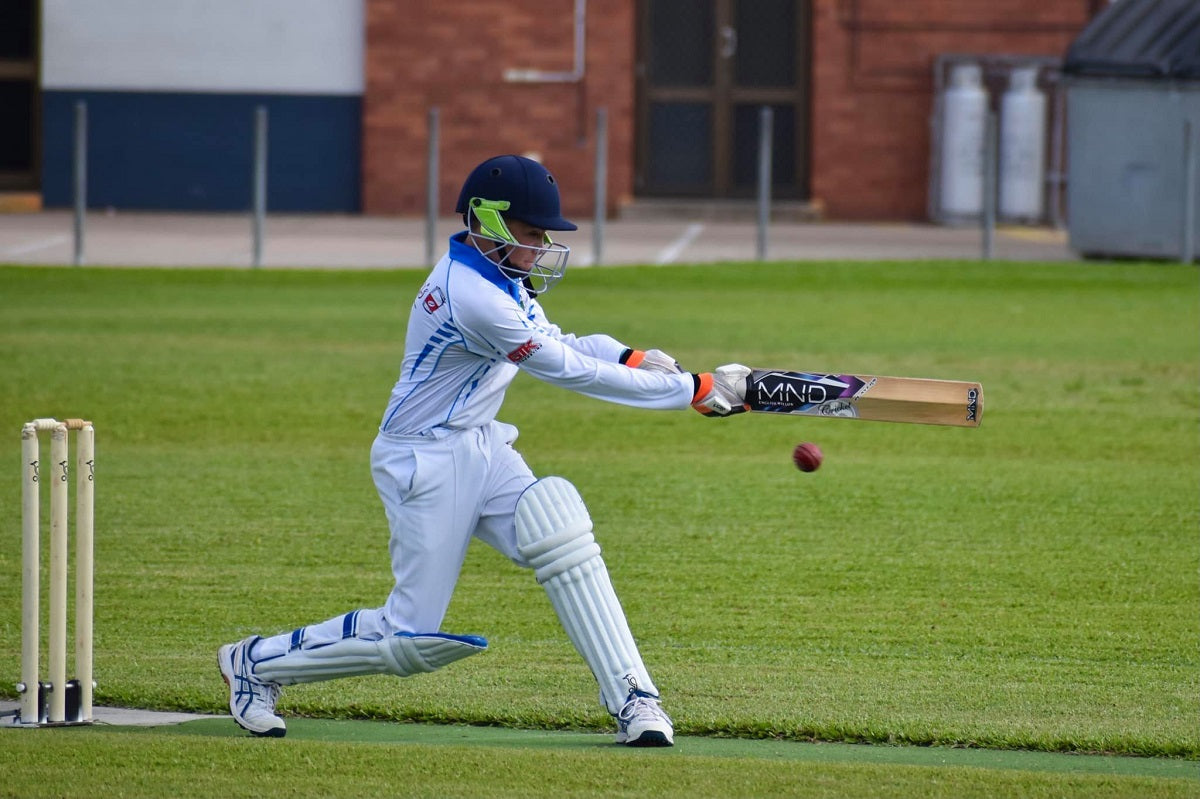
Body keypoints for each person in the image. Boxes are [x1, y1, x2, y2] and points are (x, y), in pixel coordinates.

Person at [217, 154, 749, 747]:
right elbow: (569, 370)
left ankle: (635, 699)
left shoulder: (502, 279)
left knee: (563, 533)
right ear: (488, 224)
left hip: (480, 444)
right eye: (531, 234)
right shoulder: (472, 296)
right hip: (423, 460)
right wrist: (693, 391)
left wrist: (631, 356)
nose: (543, 246)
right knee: (408, 637)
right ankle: (254, 663)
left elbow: (567, 342)